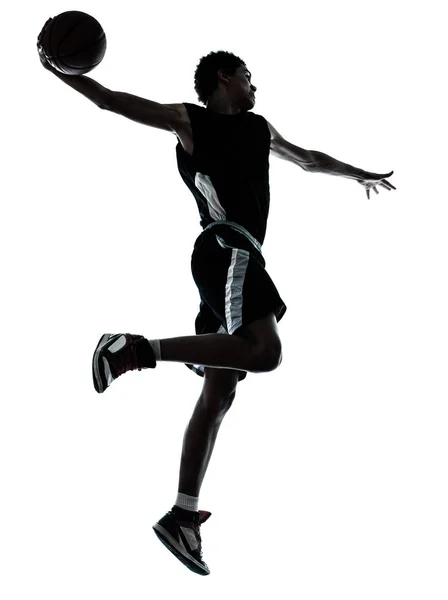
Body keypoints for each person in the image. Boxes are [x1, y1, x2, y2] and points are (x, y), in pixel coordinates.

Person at [38, 33, 396, 575]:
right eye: (248, 74)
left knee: (221, 394)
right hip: (226, 246)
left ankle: (181, 516)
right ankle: (132, 349)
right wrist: (58, 68)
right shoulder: (190, 121)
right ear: (225, 78)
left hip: (234, 258)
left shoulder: (258, 128)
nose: (255, 84)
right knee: (265, 351)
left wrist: (359, 173)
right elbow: (111, 100)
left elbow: (307, 159)